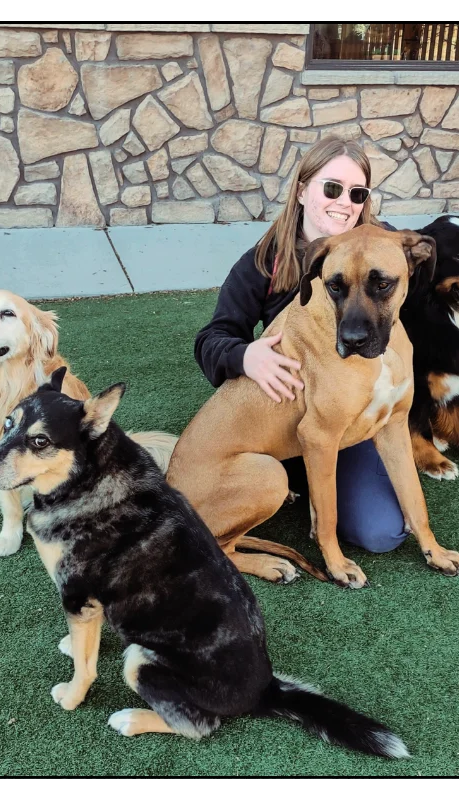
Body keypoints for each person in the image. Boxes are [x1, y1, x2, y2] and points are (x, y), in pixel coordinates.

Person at [193, 137, 407, 553]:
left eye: (357, 194)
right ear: (302, 189)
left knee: (380, 532)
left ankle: (323, 485)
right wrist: (246, 355)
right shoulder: (265, 261)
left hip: (351, 417)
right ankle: (294, 482)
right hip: (283, 422)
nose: (344, 202)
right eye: (332, 188)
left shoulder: (386, 247)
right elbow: (211, 338)